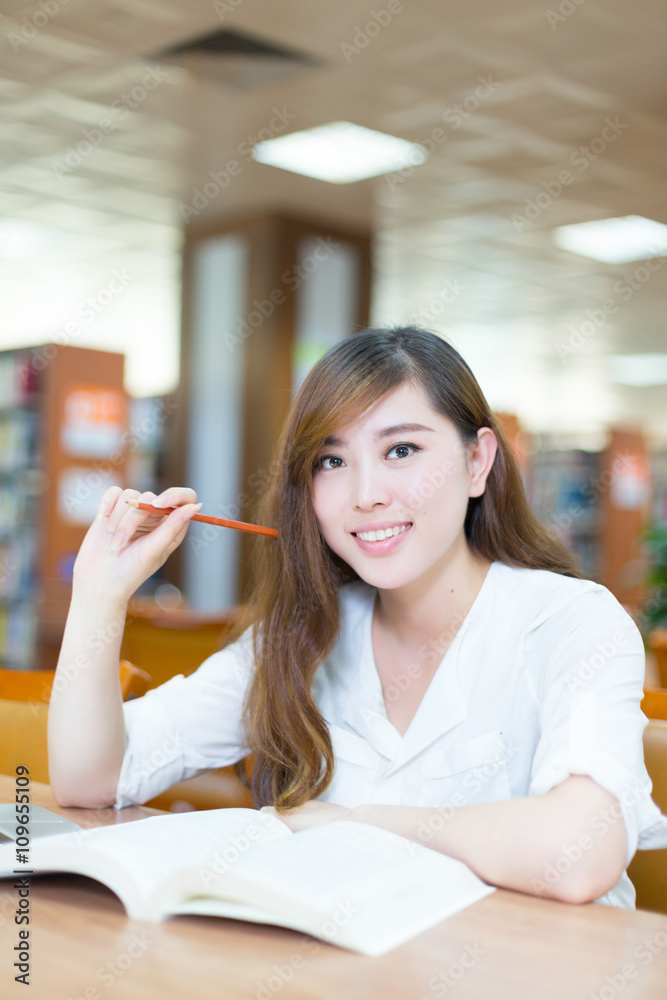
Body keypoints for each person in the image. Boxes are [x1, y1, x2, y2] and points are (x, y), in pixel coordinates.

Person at [48, 326, 667, 908]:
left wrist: (358, 824)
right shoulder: (303, 633)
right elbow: (90, 779)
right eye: (331, 460)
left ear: (478, 462)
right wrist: (99, 594)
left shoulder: (571, 623)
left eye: (401, 449)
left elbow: (581, 851)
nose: (365, 494)